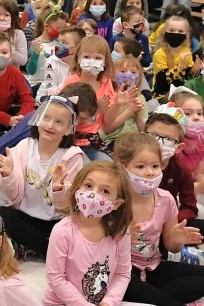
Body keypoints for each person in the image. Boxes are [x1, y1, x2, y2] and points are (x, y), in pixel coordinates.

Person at [114, 133, 204, 305]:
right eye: (140, 167)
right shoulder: (114, 199)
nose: (149, 172)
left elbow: (171, 246)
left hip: (153, 266)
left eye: (155, 166)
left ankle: (150, 296)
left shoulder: (166, 199)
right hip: (121, 272)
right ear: (121, 168)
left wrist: (178, 240)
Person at [0, 93, 83, 257]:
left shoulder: (73, 156)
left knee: (71, 229)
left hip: (56, 219)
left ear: (69, 129)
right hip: (26, 215)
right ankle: (51, 251)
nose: (50, 125)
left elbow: (66, 206)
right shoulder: (23, 147)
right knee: (2, 214)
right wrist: (8, 175)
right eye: (46, 118)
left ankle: (34, 247)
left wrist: (58, 189)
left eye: (59, 122)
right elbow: (13, 195)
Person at [43, 161, 133, 306]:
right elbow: (56, 278)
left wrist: (109, 302)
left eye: (105, 191)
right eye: (89, 186)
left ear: (116, 204)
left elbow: (122, 274)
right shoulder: (63, 231)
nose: (93, 195)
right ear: (78, 187)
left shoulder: (120, 233)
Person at [152, 15, 194, 101]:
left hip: (183, 91)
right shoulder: (160, 54)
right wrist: (179, 68)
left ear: (186, 34)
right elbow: (162, 83)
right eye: (171, 30)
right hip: (161, 94)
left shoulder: (186, 51)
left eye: (180, 31)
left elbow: (189, 78)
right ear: (164, 32)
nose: (176, 33)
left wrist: (195, 70)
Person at [35, 26, 84, 101]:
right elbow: (51, 91)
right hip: (46, 100)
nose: (58, 46)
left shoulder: (84, 64)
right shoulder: (52, 60)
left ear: (78, 48)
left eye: (64, 43)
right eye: (58, 41)